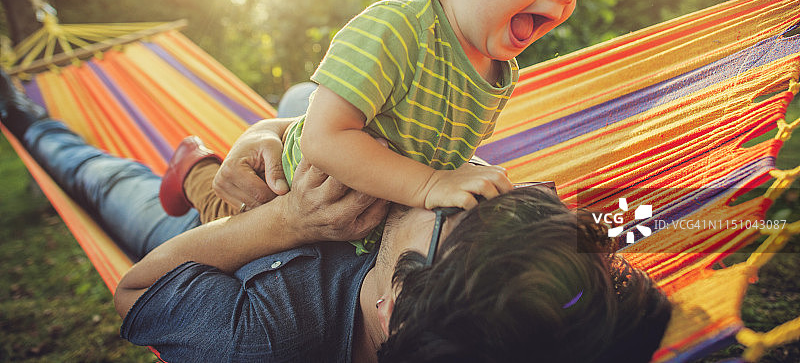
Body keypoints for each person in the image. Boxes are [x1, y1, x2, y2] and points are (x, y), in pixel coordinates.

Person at [0, 69, 671, 362]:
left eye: (453, 208)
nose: (463, 183)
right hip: (298, 195)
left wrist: (287, 222)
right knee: (309, 100)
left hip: (209, 253)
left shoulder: (267, 341)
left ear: (391, 309)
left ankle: (25, 118)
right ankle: (214, 161)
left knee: (100, 176)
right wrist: (276, 127)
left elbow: (133, 291)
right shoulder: (476, 289)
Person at [160, 0, 611, 256]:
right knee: (219, 214)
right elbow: (323, 137)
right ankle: (194, 167)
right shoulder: (396, 30)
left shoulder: (498, 72)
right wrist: (430, 184)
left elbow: (433, 144)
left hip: (362, 224)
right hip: (285, 196)